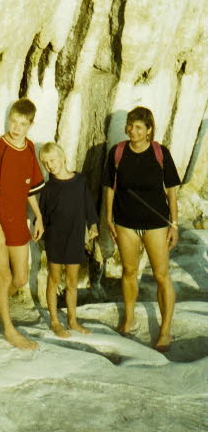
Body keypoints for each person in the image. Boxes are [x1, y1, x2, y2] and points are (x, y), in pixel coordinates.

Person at [102, 106, 180, 352]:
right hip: (125, 222)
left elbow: (172, 191)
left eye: (138, 127)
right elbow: (109, 187)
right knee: (128, 271)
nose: (131, 131)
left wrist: (174, 224)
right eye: (129, 125)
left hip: (156, 224)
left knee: (160, 275)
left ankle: (165, 329)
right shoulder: (118, 152)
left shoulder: (160, 153)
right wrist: (108, 218)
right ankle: (129, 318)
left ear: (149, 131)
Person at [0, 98, 45, 349]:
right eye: (13, 121)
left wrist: (38, 216)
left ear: (30, 124)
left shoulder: (29, 149)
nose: (16, 127)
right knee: (4, 277)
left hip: (18, 221)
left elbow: (30, 189)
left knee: (20, 278)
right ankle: (8, 329)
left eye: (22, 123)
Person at [39, 142, 98, 338]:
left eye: (53, 160)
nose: (50, 165)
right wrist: (43, 238)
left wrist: (93, 224)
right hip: (55, 239)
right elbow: (44, 216)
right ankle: (55, 321)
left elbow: (89, 204)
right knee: (54, 279)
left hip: (74, 238)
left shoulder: (80, 181)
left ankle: (72, 320)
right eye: (46, 163)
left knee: (72, 281)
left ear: (63, 158)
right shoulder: (48, 188)